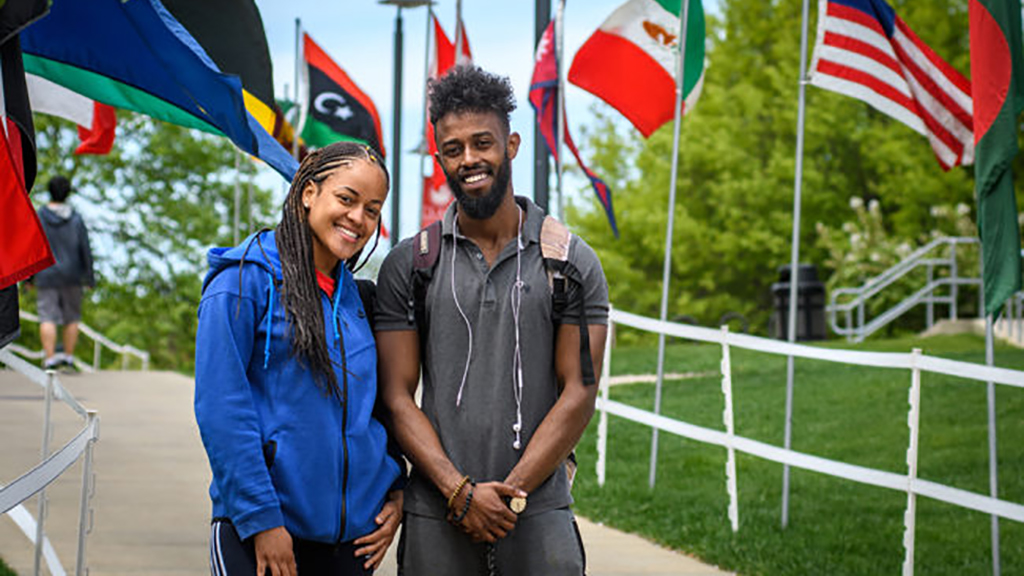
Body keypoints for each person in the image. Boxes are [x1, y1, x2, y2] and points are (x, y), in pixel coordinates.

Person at [374, 65, 609, 575]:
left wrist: (513, 493)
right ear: (440, 157)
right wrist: (459, 493)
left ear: (513, 144)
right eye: (453, 149)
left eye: (483, 142)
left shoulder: (569, 262)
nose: (469, 159)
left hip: (537, 509)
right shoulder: (410, 264)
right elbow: (395, 395)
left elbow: (579, 392)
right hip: (437, 512)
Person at [194, 142, 404, 576]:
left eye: (372, 209)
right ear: (309, 193)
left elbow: (377, 411)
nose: (358, 218)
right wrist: (262, 521)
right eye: (346, 199)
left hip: (352, 545)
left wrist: (394, 490)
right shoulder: (240, 283)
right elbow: (222, 411)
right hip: (263, 534)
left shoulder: (360, 299)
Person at [33, 175, 94, 372]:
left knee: (47, 317)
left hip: (45, 274)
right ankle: (68, 358)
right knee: (72, 317)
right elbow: (85, 248)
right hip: (72, 275)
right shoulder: (76, 219)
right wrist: (89, 277)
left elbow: (32, 247)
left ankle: (50, 360)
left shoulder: (40, 216)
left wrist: (28, 277)